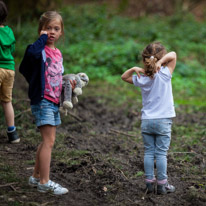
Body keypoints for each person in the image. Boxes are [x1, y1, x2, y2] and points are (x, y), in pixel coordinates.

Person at [19, 11, 75, 195]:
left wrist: (68, 84)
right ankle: (44, 182)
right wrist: (41, 40)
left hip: (53, 101)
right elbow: (27, 61)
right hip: (42, 100)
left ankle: (36, 176)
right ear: (41, 30)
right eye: (48, 28)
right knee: (48, 141)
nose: (52, 32)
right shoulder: (37, 50)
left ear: (61, 33)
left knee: (47, 142)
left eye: (56, 29)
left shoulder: (58, 53)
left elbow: (56, 76)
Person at [121, 42, 176, 195]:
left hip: (147, 121)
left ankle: (149, 182)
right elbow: (173, 55)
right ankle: (162, 184)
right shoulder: (165, 73)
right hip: (163, 121)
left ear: (144, 59)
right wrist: (160, 62)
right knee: (161, 154)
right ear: (161, 58)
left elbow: (123, 77)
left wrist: (133, 69)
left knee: (149, 152)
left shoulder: (142, 77)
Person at [0, 1, 20, 144]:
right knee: (7, 101)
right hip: (10, 69)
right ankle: (13, 133)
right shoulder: (9, 31)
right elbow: (11, 50)